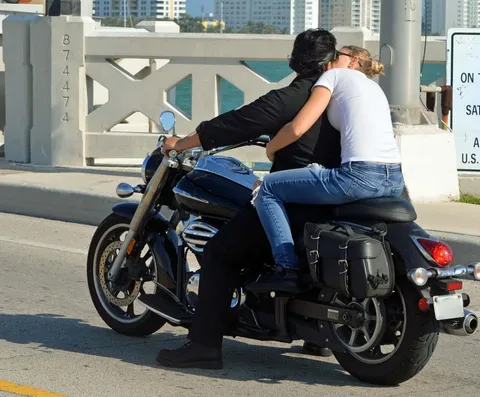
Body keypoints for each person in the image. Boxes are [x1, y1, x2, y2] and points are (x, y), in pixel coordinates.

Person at [155, 28, 342, 369]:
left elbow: (235, 123)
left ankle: (204, 346)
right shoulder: (343, 99)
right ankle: (317, 337)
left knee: (220, 253)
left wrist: (181, 143)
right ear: (332, 63)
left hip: (297, 201)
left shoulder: (291, 97)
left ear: (294, 62)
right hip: (342, 198)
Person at [248, 46, 404, 294]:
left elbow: (298, 128)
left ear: (352, 61)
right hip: (394, 177)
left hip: (358, 176)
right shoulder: (374, 88)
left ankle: (286, 269)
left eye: (337, 55)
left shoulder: (335, 76)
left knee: (268, 188)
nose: (330, 60)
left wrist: (272, 147)